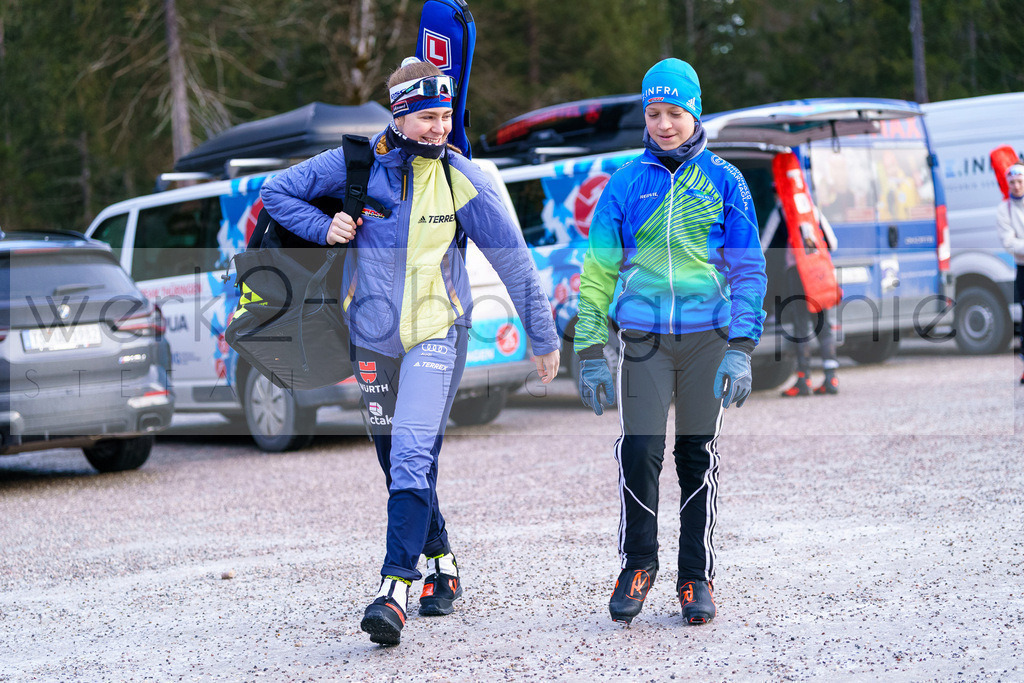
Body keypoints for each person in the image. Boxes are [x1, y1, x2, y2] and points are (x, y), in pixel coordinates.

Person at [260, 58, 560, 646]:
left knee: (412, 451)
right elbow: (275, 192)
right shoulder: (356, 164)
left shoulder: (462, 178)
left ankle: (394, 588)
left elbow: (513, 258)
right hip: (370, 340)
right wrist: (325, 228)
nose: (439, 127)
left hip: (437, 334)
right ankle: (442, 562)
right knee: (395, 458)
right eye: (427, 117)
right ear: (399, 116)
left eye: (446, 115)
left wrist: (543, 337)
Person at [573, 58, 767, 626]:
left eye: (674, 113)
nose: (663, 124)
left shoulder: (725, 180)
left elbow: (749, 268)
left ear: (695, 111)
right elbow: (598, 270)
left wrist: (742, 346)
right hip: (644, 340)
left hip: (709, 339)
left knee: (695, 455)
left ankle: (694, 576)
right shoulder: (625, 182)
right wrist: (590, 350)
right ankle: (638, 564)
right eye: (653, 113)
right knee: (639, 451)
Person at [761, 199, 841, 396]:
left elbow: (764, 245)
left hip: (796, 272)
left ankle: (804, 380)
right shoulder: (812, 208)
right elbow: (832, 243)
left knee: (801, 325)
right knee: (823, 323)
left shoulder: (781, 209)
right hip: (818, 270)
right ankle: (831, 378)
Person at [996, 163, 1024, 383]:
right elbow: (1008, 242)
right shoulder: (1004, 209)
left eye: (1020, 181)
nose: (1016, 186)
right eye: (1012, 182)